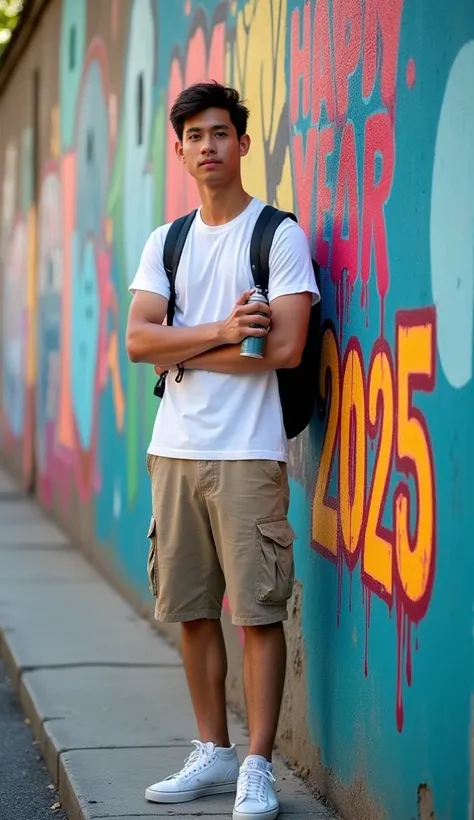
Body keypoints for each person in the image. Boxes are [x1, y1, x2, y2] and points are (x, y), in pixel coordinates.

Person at [126, 81, 320, 820]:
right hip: (173, 448)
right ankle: (211, 751)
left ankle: (257, 765)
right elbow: (139, 340)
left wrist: (181, 348)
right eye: (194, 136)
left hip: (248, 450)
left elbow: (288, 345)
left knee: (258, 613)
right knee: (193, 609)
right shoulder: (165, 241)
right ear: (180, 151)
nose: (208, 146)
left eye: (220, 133)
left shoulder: (278, 236)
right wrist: (221, 331)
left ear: (243, 142)